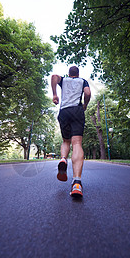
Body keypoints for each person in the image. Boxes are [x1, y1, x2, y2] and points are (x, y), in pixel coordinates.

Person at [51, 66, 91, 198]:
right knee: (77, 143)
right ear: (78, 74)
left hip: (64, 111)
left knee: (65, 141)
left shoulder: (64, 80)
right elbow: (88, 93)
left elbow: (54, 77)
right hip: (77, 111)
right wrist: (85, 105)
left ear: (69, 74)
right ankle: (77, 183)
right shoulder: (83, 81)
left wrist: (55, 94)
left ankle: (63, 159)